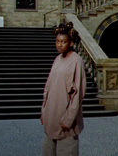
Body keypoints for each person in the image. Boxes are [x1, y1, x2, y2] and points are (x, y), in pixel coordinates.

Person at [41, 22, 87, 156]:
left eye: (63, 42)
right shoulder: (57, 59)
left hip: (65, 120)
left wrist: (68, 119)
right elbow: (48, 87)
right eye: (57, 41)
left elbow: (78, 93)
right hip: (51, 116)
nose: (59, 45)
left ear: (71, 43)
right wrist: (44, 110)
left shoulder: (76, 61)